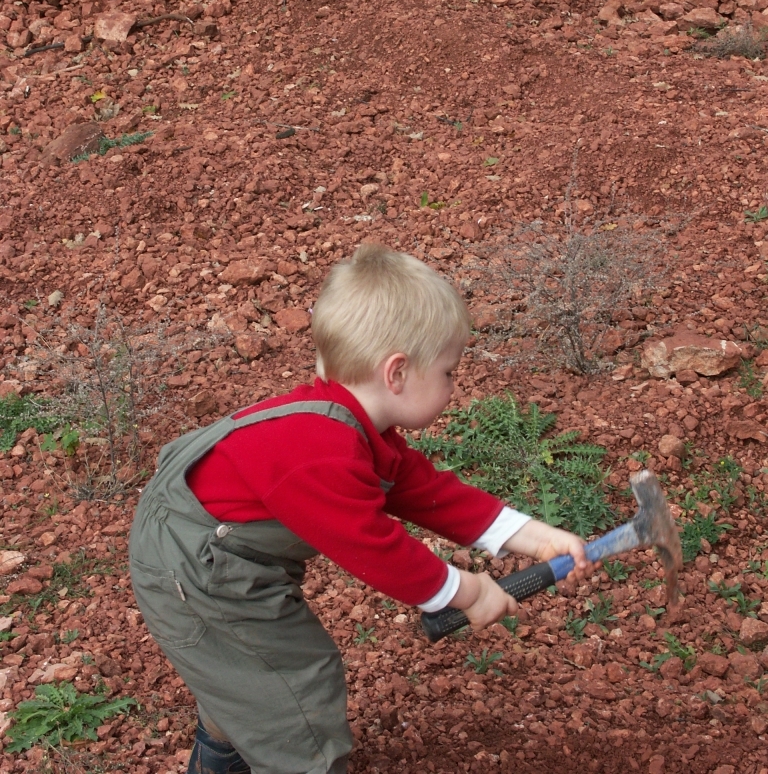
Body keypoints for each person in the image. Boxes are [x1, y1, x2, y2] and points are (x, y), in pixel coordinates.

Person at [129, 244, 590, 774]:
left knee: (250, 675)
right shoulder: (320, 449)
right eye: (448, 372)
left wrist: (537, 537)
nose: (453, 386)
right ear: (397, 373)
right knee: (294, 692)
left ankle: (228, 748)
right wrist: (466, 591)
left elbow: (430, 493)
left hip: (217, 556)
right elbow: (372, 546)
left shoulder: (354, 428)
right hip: (192, 567)